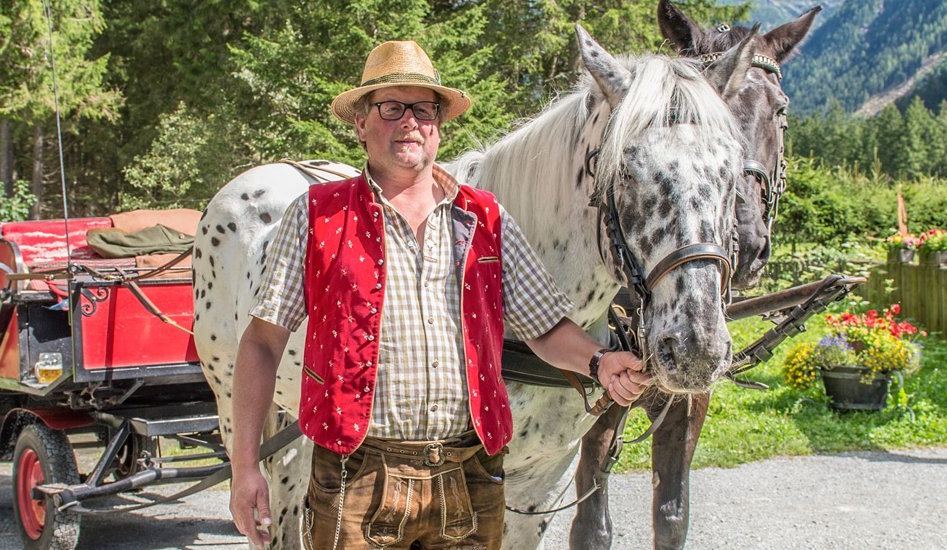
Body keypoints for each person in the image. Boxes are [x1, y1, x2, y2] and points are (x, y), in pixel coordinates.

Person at [228, 40, 652, 549]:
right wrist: (245, 464)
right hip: (357, 477)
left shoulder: (485, 217)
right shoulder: (318, 215)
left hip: (472, 475)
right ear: (361, 123)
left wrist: (600, 360)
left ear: (437, 124)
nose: (410, 121)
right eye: (391, 107)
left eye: (424, 109)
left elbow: (545, 327)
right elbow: (261, 343)